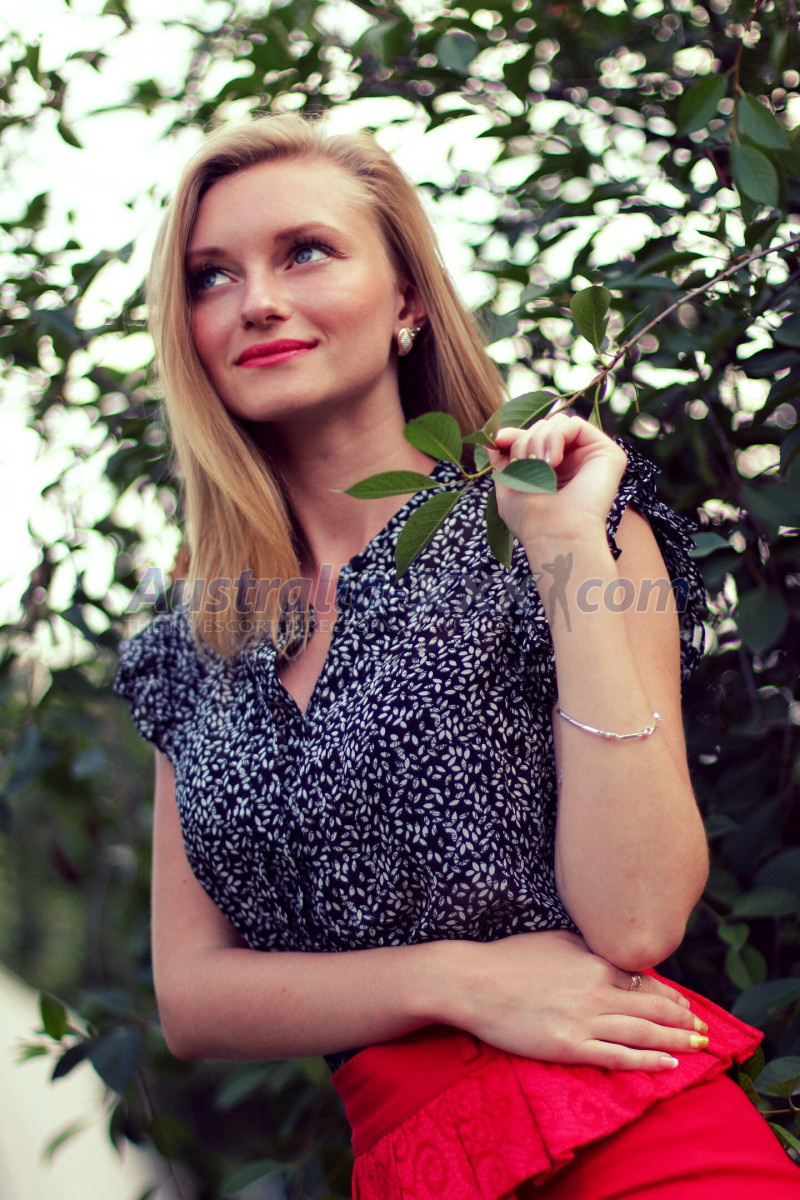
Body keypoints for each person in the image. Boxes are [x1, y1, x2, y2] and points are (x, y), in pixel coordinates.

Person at [115, 113, 800, 1198]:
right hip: (418, 1164)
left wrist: (564, 551)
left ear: (407, 300)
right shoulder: (196, 642)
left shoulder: (566, 521)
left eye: (305, 252)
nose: (257, 301)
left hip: (636, 1145)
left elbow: (636, 918)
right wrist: (456, 981)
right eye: (211, 276)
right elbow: (195, 1000)